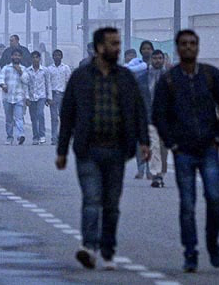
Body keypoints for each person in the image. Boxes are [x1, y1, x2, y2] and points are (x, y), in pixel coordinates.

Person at [56, 27, 150, 271]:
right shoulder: (81, 76)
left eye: (118, 43)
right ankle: (89, 247)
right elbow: (67, 113)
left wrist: (144, 142)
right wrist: (62, 150)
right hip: (88, 150)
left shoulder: (125, 78)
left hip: (117, 150)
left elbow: (138, 110)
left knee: (111, 203)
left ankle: (108, 250)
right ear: (99, 47)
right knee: (91, 198)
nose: (117, 48)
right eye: (112, 44)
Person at [150, 29, 219, 273]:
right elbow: (159, 114)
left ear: (197, 47)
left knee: (214, 199)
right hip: (183, 150)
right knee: (187, 204)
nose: (188, 48)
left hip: (208, 147)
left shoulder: (210, 75)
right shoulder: (169, 79)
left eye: (192, 44)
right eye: (183, 44)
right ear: (177, 48)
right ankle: (190, 251)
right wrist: (172, 142)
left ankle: (212, 244)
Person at [138, 50, 170, 186]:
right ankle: (156, 173)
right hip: (149, 116)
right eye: (155, 58)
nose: (157, 60)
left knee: (163, 147)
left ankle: (161, 173)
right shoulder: (142, 78)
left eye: (160, 58)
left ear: (163, 60)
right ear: (150, 60)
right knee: (154, 145)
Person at [0, 49, 27, 144]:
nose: (16, 57)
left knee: (19, 118)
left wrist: (20, 72)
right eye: (15, 55)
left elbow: (26, 81)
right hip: (7, 97)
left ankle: (20, 135)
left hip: (19, 97)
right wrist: (3, 85)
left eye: (18, 55)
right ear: (11, 57)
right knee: (9, 119)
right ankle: (9, 137)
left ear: (21, 57)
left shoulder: (23, 69)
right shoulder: (6, 68)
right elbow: (1, 79)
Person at [24, 50, 51, 145]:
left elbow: (48, 84)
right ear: (31, 59)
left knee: (40, 114)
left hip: (41, 96)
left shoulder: (45, 70)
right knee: (33, 117)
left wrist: (49, 97)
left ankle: (42, 134)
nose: (35, 59)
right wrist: (26, 97)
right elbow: (26, 85)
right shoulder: (27, 71)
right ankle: (35, 136)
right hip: (31, 96)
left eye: (37, 57)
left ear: (40, 59)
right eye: (33, 57)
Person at [46, 49, 71, 146]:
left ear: (62, 57)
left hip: (63, 94)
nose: (57, 57)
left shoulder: (66, 68)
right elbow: (48, 83)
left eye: (59, 55)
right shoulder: (49, 69)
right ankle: (54, 138)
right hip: (53, 94)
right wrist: (49, 97)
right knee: (54, 118)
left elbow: (68, 82)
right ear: (53, 57)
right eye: (55, 55)